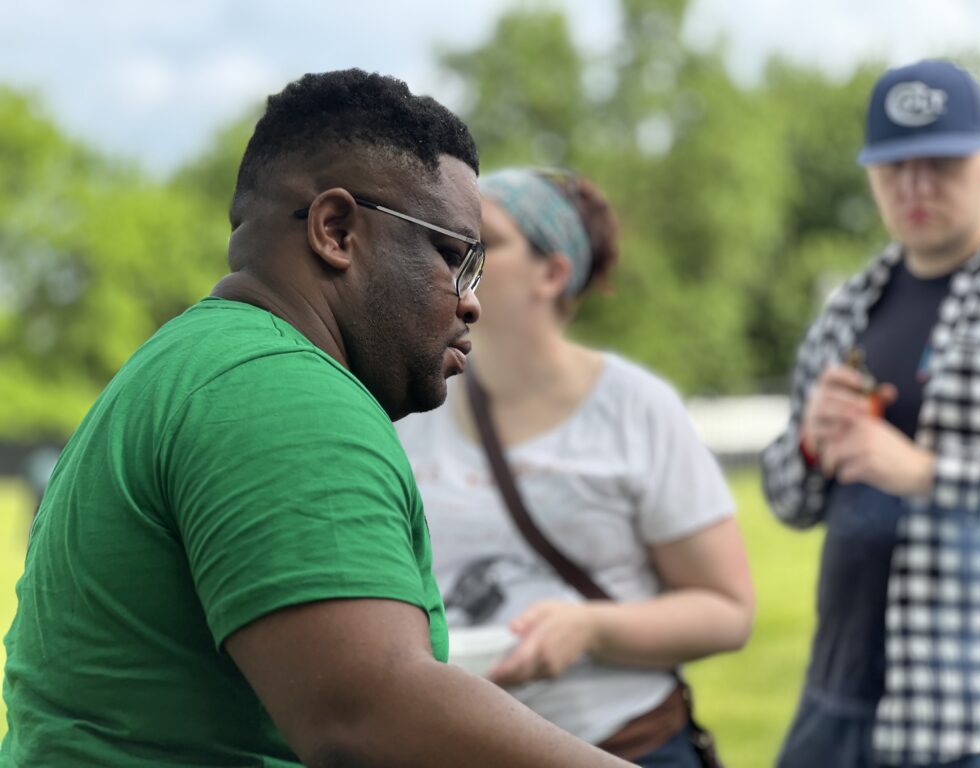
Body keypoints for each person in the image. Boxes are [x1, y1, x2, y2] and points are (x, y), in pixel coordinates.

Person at [0, 70, 637, 768]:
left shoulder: (192, 361)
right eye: (455, 257)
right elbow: (366, 714)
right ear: (336, 230)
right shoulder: (281, 393)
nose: (471, 301)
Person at [396, 166, 755, 767]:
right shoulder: (412, 401)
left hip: (625, 746)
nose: (454, 255)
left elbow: (728, 611)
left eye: (487, 243)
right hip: (457, 747)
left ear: (553, 272)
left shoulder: (636, 408)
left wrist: (591, 630)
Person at [762, 59, 980, 767]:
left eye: (940, 162)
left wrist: (925, 473)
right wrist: (813, 444)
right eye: (893, 165)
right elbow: (787, 500)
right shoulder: (848, 307)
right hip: (837, 695)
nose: (914, 185)